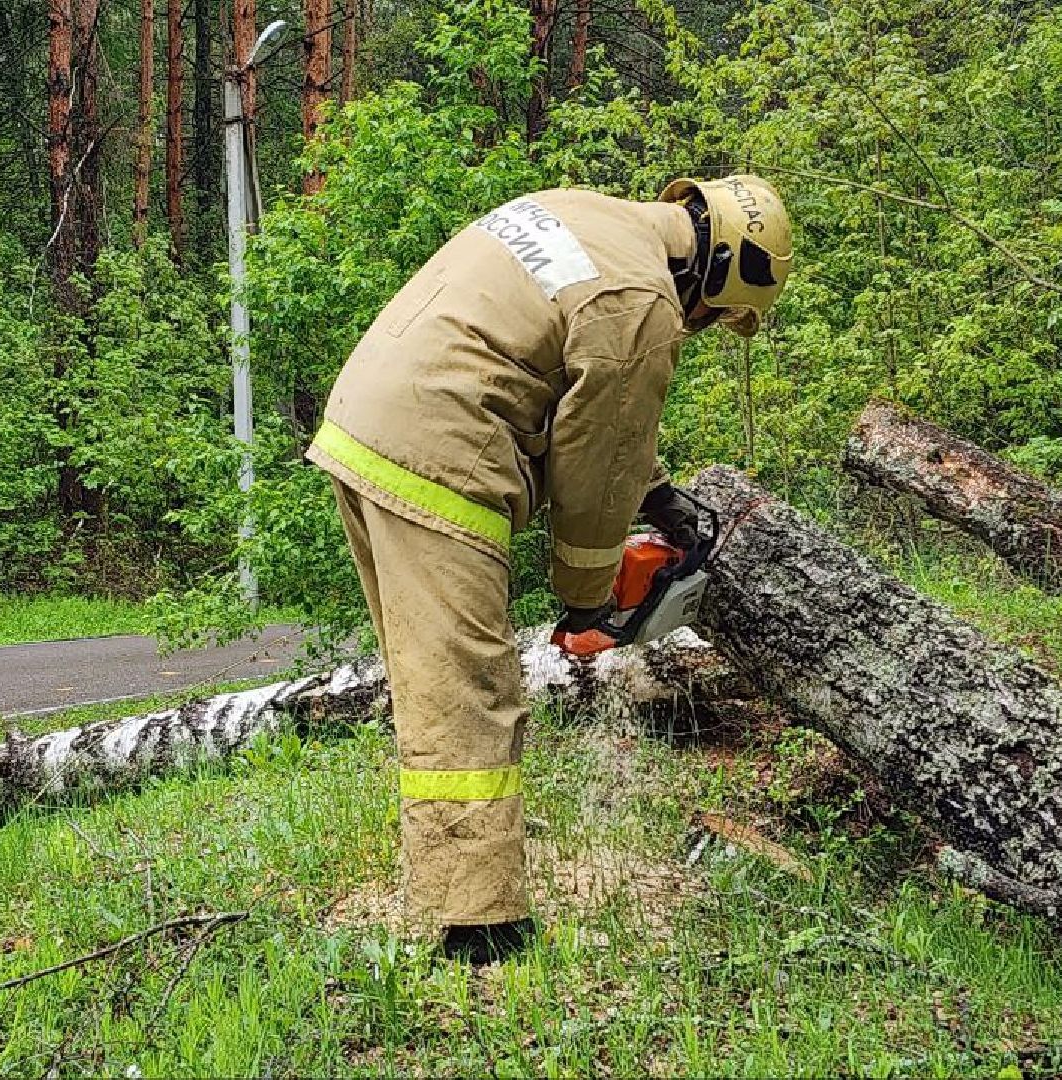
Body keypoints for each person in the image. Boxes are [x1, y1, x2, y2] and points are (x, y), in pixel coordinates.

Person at [306, 176, 792, 962]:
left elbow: (571, 384)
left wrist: (659, 493)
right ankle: (476, 925)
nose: (700, 329)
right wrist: (587, 600)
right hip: (438, 455)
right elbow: (593, 456)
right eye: (715, 316)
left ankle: (455, 877)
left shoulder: (587, 214)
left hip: (369, 423)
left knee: (433, 682)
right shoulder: (642, 304)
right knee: (471, 692)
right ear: (718, 273)